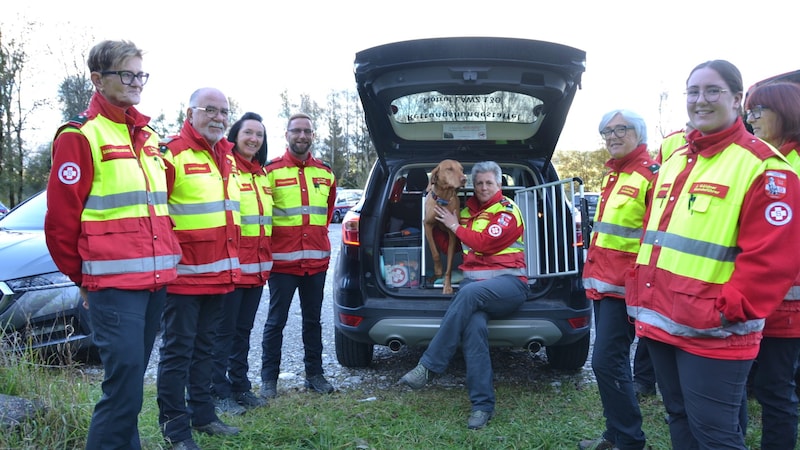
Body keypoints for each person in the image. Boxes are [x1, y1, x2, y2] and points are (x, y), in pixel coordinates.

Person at [626, 60, 800, 449]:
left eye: (712, 91)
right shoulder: (674, 162)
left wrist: (725, 310)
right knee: (679, 418)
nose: (700, 100)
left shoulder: (764, 167)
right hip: (662, 319)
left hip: (714, 330)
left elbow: (774, 260)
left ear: (737, 99)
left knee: (716, 436)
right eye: (693, 91)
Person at [44, 39, 182, 450]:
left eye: (141, 74)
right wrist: (82, 277)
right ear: (98, 79)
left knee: (131, 383)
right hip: (112, 286)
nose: (136, 82)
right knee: (123, 389)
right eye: (127, 74)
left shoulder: (148, 136)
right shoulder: (80, 135)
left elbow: (161, 198)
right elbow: (61, 222)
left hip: (154, 281)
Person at [397, 161, 528, 430]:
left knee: (467, 294)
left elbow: (484, 242)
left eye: (488, 183)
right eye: (479, 183)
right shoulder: (466, 212)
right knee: (473, 329)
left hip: (509, 285)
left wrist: (455, 226)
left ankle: (429, 366)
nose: (483, 187)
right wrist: (438, 223)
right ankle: (482, 406)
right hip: (475, 290)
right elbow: (452, 243)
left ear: (499, 185)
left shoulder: (506, 211)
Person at [156, 87, 242, 450]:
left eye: (224, 111)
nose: (218, 117)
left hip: (218, 275)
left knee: (206, 349)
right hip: (182, 278)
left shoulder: (227, 155)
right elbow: (157, 215)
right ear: (189, 112)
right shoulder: (171, 153)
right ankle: (175, 428)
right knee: (178, 352)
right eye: (210, 110)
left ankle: (203, 415)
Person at [578, 110, 658, 450]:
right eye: (607, 131)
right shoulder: (615, 176)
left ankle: (628, 439)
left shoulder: (651, 176)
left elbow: (655, 237)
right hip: (604, 284)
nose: (612, 136)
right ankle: (615, 434)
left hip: (627, 287)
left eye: (621, 129)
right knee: (610, 361)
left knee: (605, 361)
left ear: (638, 134)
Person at [260, 112, 336, 399]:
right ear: (287, 134)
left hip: (315, 263)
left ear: (313, 135)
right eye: (296, 131)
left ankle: (314, 376)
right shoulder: (271, 172)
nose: (302, 136)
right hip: (282, 264)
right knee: (275, 321)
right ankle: (269, 380)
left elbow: (326, 216)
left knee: (313, 321)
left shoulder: (326, 173)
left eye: (307, 131)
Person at [744, 81, 800, 450]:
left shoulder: (792, 164)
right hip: (755, 298)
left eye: (760, 110)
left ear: (786, 111)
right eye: (749, 112)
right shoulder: (759, 158)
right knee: (749, 384)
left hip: (788, 302)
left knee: (776, 389)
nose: (752, 119)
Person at [211, 112, 273, 415]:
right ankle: (217, 391)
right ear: (235, 135)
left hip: (257, 270)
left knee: (243, 332)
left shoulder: (261, 174)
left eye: (259, 135)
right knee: (222, 334)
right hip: (232, 268)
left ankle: (240, 387)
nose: (254, 139)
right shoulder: (226, 167)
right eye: (248, 132)